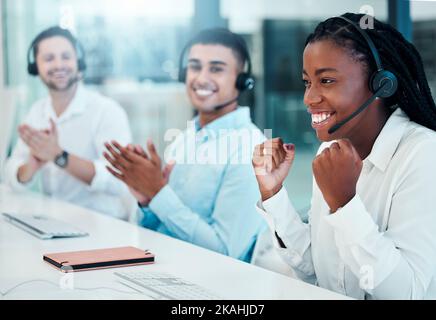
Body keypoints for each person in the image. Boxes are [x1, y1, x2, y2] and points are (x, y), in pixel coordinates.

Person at [252, 13, 436, 299]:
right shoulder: (331, 150)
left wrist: (345, 204)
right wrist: (273, 193)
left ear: (381, 84)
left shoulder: (423, 153)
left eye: (326, 80)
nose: (309, 98)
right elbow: (317, 269)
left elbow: (406, 292)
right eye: (306, 82)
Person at [104, 28, 266, 262]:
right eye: (195, 66)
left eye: (217, 69)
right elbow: (155, 232)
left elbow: (226, 254)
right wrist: (147, 200)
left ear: (243, 80)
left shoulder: (251, 149)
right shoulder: (184, 139)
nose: (201, 78)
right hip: (161, 272)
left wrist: (158, 193)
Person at [5, 26, 132, 219]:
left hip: (103, 226)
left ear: (78, 62)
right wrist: (31, 165)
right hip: (53, 221)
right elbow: (11, 173)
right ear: (35, 67)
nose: (59, 65)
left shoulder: (106, 111)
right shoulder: (36, 112)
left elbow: (120, 180)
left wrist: (59, 156)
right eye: (49, 59)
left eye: (66, 57)